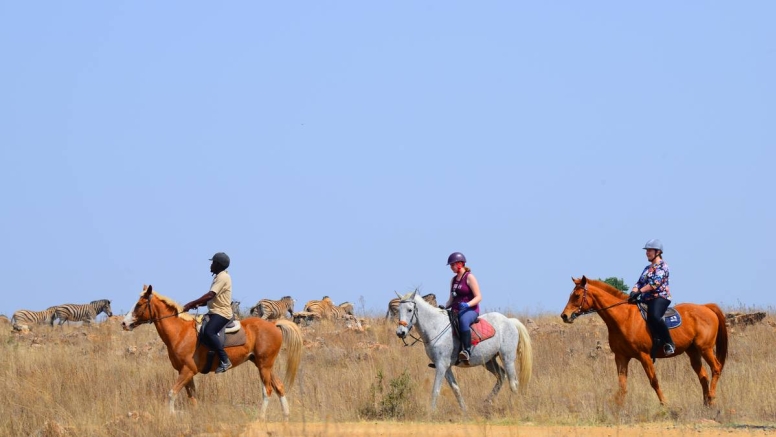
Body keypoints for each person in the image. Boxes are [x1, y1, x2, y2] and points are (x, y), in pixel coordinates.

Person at [183, 252, 234, 373]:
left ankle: (225, 360)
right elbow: (210, 299)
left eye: (213, 263)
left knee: (209, 331)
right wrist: (197, 304)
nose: (210, 265)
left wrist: (191, 303)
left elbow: (211, 295)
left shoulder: (223, 277)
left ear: (218, 264)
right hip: (214, 311)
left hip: (222, 313)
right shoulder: (218, 277)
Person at [628, 239, 674, 357]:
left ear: (657, 252)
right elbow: (639, 282)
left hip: (660, 297)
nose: (647, 253)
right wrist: (633, 292)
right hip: (646, 298)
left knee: (654, 316)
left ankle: (669, 343)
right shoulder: (646, 268)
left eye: (649, 250)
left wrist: (639, 292)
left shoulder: (663, 266)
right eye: (646, 250)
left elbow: (655, 283)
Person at [442, 252, 482, 363]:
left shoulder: (470, 277)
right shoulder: (453, 280)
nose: (451, 267)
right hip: (455, 309)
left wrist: (467, 304)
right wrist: (444, 307)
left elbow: (479, 297)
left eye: (452, 265)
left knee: (463, 320)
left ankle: (467, 351)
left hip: (470, 310)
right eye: (450, 265)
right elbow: (451, 299)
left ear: (460, 264)